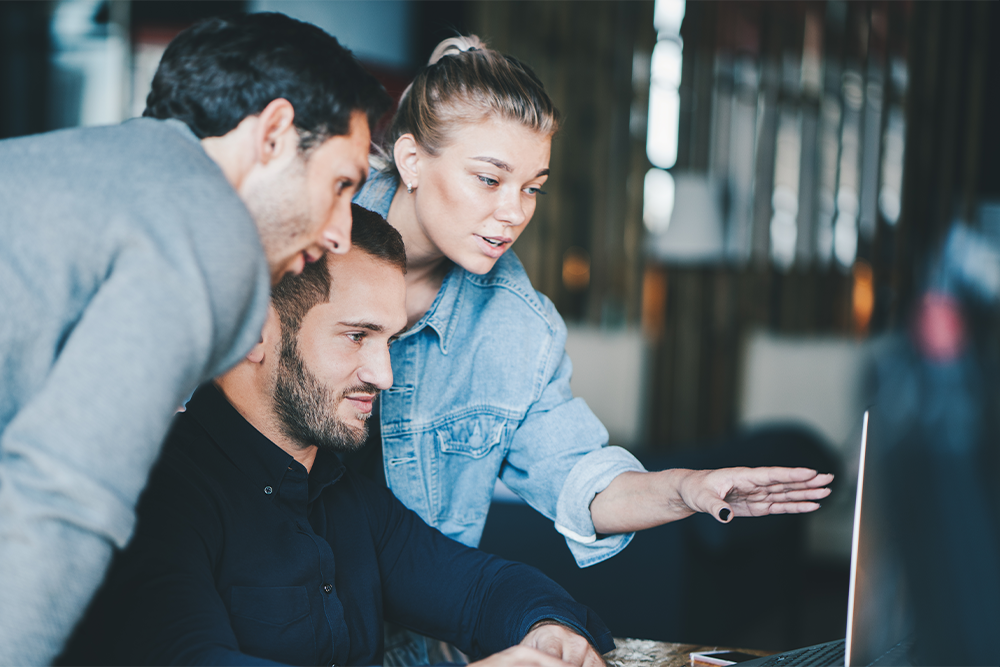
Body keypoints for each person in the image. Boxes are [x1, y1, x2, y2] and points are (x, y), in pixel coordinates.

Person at [350, 36, 832, 571]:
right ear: (412, 160)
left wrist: (688, 489)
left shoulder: (518, 328)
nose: (514, 213)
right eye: (489, 179)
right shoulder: (305, 248)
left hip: (409, 640)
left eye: (533, 188)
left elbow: (578, 478)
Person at [57, 206, 614, 667]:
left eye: (389, 340)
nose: (385, 374)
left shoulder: (346, 495)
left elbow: (478, 588)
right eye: (356, 336)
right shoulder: (155, 495)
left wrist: (545, 631)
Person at [0, 13, 389, 666]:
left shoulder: (116, 171)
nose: (341, 233)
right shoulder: (209, 229)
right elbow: (63, 499)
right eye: (341, 184)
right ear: (272, 134)